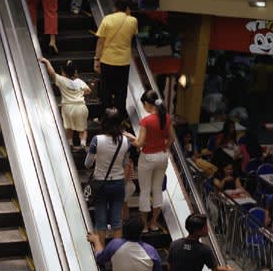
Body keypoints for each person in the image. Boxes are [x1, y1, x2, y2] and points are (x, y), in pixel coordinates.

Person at [124, 90, 176, 233]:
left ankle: (144, 225)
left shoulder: (146, 121)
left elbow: (140, 143)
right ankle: (153, 223)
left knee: (145, 191)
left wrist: (131, 138)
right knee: (157, 189)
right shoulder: (166, 117)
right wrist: (163, 148)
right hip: (162, 156)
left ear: (147, 103)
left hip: (147, 157)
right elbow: (172, 138)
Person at [84, 107, 133, 245]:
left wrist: (97, 157)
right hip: (118, 183)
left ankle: (101, 250)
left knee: (101, 220)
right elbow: (125, 163)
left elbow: (87, 164)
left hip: (101, 183)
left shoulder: (96, 140)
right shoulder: (126, 141)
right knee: (117, 220)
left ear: (104, 122)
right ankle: (116, 252)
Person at [94, 0, 138, 118]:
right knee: (121, 91)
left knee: (106, 90)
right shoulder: (133, 21)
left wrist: (97, 59)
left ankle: (105, 117)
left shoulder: (107, 19)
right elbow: (133, 37)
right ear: (127, 8)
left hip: (107, 60)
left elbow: (100, 42)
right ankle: (119, 117)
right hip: (124, 62)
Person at [41, 57, 91, 148]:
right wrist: (80, 93)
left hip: (67, 107)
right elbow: (88, 91)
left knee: (68, 127)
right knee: (82, 129)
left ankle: (70, 144)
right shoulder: (79, 82)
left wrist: (47, 62)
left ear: (63, 72)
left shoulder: (61, 80)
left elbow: (52, 73)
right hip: (80, 107)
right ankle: (83, 144)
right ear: (75, 72)